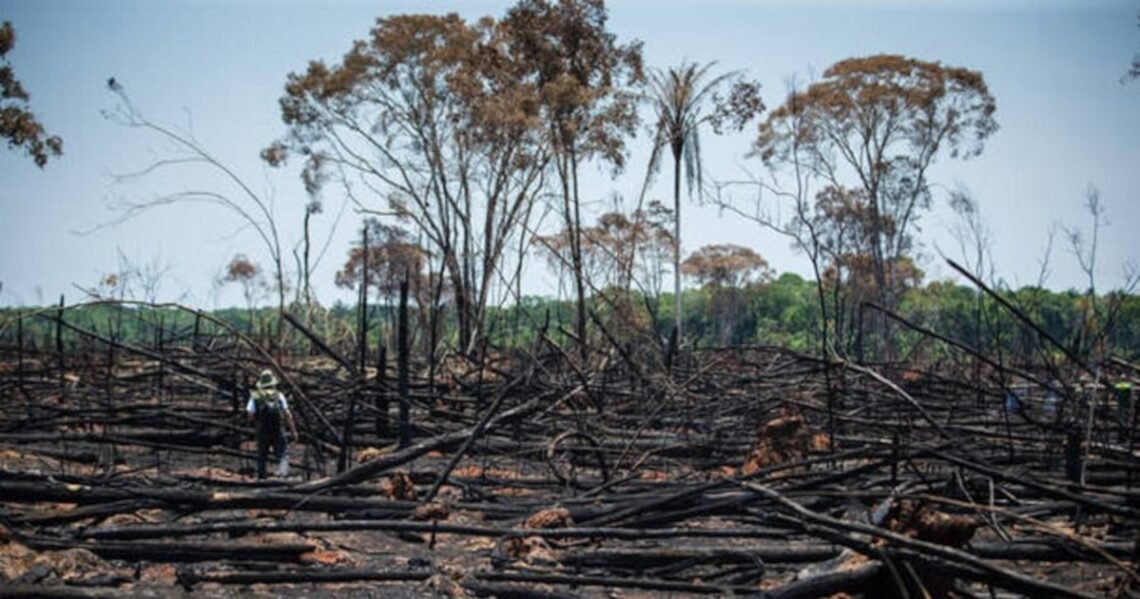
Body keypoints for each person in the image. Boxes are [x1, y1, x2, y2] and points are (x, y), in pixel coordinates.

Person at [246, 369, 298, 479]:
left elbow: (250, 414)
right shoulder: (279, 395)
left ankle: (262, 477)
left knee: (262, 454)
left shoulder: (255, 396)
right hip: (278, 428)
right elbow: (287, 414)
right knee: (282, 453)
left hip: (262, 429)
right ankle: (283, 476)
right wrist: (293, 431)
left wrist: (255, 422)